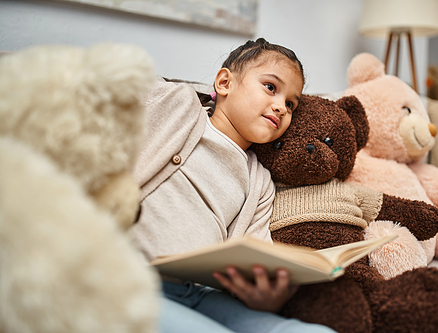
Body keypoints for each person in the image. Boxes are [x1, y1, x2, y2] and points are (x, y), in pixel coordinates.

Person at [130, 38, 336, 333]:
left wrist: (268, 299)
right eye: (270, 87)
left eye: (291, 104)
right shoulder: (177, 104)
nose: (281, 107)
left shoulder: (259, 181)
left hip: (202, 294)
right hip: (130, 277)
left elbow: (254, 255)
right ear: (225, 83)